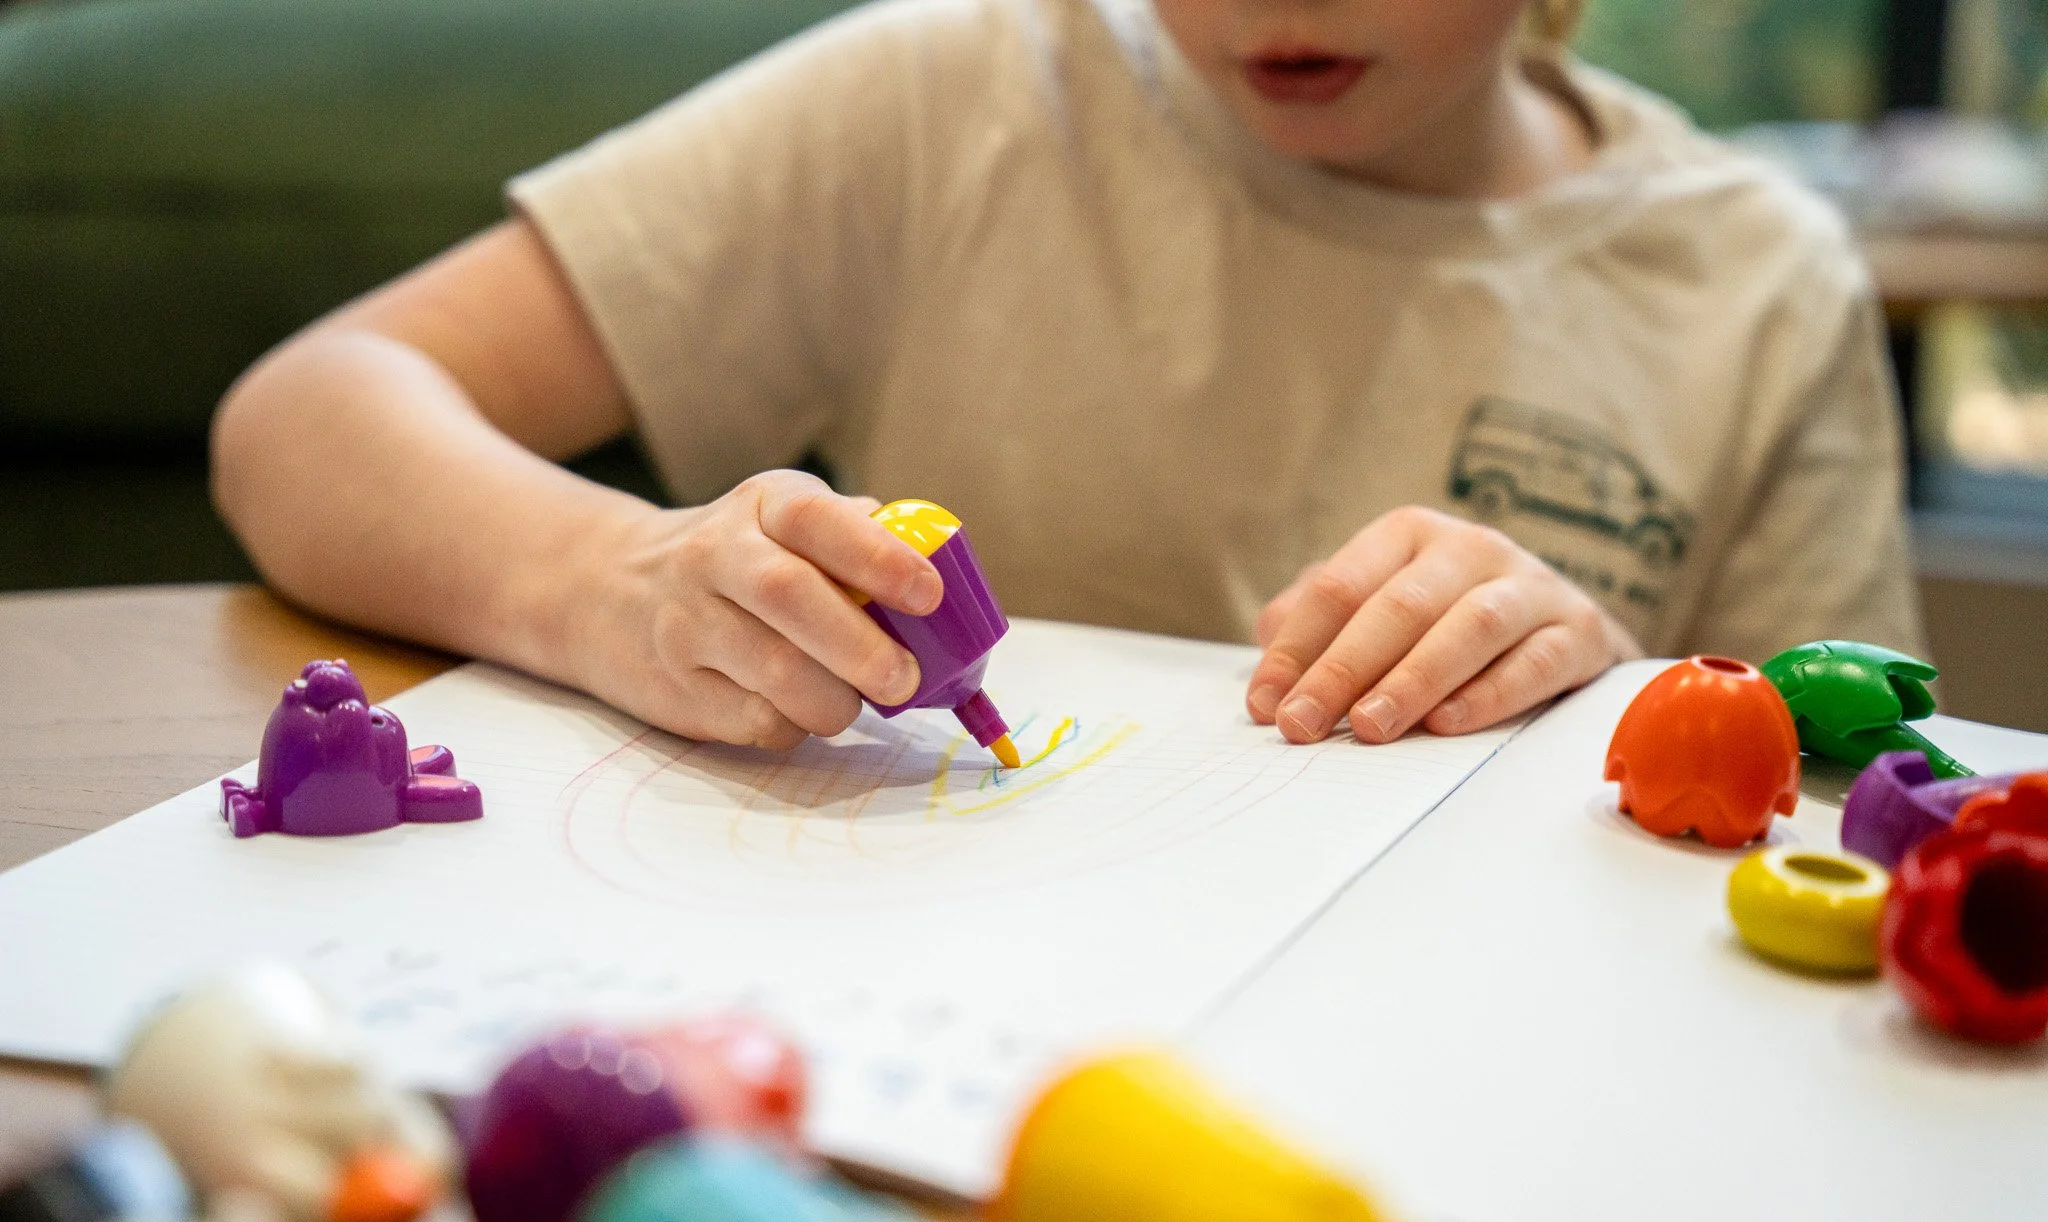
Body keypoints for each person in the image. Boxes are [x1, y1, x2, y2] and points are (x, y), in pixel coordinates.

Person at [211, 0, 1925, 754]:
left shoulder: (1759, 280)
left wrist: (1614, 703)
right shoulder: (949, 96)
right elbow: (309, 412)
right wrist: (607, 578)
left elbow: (1866, 798)